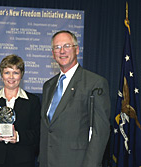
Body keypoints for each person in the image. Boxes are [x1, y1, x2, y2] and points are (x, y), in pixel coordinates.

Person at [39, 30, 111, 167]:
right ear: (53, 53)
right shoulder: (48, 86)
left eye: (67, 46)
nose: (62, 51)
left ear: (77, 50)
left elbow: (100, 132)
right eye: (57, 47)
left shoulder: (95, 83)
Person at [0, 54, 41, 167]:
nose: (11, 77)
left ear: (21, 75)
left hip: (22, 161)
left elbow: (37, 133)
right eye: (7, 72)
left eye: (15, 73)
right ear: (1, 75)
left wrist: (18, 136)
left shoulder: (32, 101)